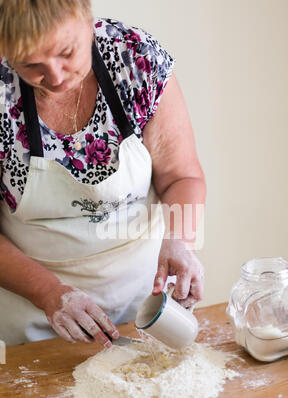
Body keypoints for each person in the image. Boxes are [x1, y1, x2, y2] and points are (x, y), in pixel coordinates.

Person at [0, 0, 206, 346]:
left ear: (87, 19)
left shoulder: (135, 59)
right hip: (33, 316)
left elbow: (181, 176)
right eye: (31, 64)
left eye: (67, 52)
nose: (54, 76)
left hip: (144, 303)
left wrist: (180, 241)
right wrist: (51, 294)